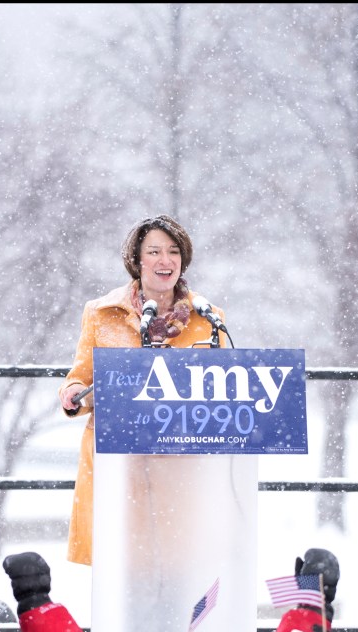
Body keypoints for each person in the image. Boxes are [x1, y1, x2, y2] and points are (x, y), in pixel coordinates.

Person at [58, 214, 230, 565]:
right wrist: (73, 392)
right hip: (118, 464)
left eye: (173, 251)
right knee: (122, 569)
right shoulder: (101, 314)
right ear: (137, 260)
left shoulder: (208, 318)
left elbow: (225, 388)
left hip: (181, 466)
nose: (165, 261)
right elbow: (79, 377)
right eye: (154, 251)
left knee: (178, 567)